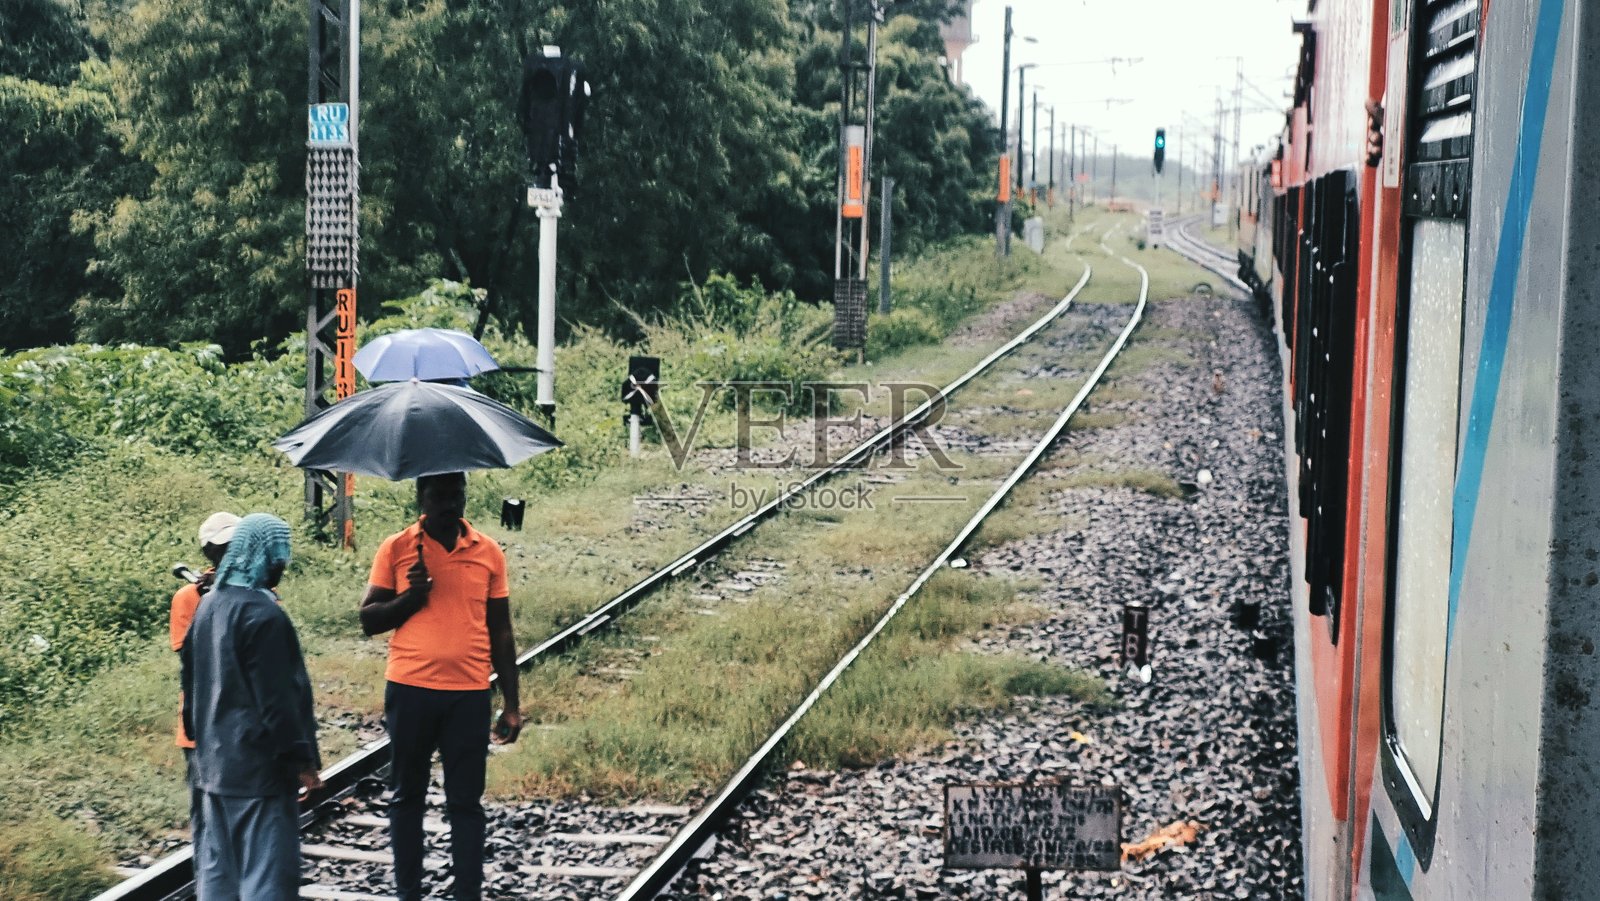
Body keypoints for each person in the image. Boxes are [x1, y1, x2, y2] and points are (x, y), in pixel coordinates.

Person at [360, 471, 522, 901]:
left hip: (468, 693)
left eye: (457, 493)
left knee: (466, 802)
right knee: (406, 797)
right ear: (421, 497)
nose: (450, 503)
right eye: (440, 494)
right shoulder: (396, 549)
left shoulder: (487, 552)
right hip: (410, 690)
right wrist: (410, 598)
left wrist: (511, 702)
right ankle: (407, 892)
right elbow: (368, 619)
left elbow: (501, 630)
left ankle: (467, 892)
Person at [181, 513, 322, 901]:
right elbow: (278, 701)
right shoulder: (263, 615)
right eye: (279, 554)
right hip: (258, 771)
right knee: (266, 878)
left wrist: (201, 741)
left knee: (219, 875)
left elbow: (189, 681)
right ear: (262, 554)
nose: (282, 564)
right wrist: (302, 762)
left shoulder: (209, 606)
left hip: (213, 767)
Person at [170, 512, 239, 754]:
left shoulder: (260, 592)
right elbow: (197, 659)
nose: (233, 553)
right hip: (203, 722)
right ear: (209, 552)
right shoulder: (189, 598)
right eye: (224, 547)